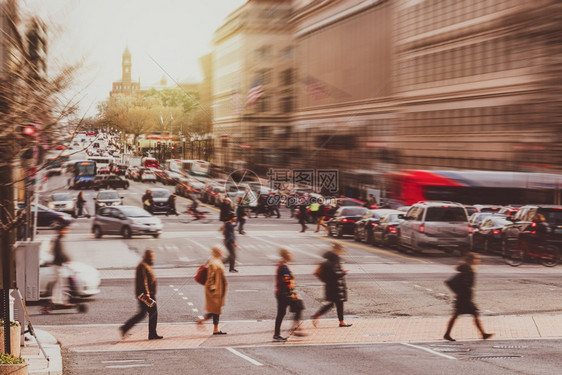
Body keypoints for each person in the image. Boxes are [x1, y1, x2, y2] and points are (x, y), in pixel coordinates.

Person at [443, 253, 493, 341]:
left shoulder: (467, 269)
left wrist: (458, 292)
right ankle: (483, 334)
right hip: (464, 298)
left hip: (464, 297)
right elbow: (463, 283)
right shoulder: (468, 270)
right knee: (473, 313)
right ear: (472, 260)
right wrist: (461, 291)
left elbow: (450, 282)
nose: (478, 261)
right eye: (477, 259)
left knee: (458, 315)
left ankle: (447, 334)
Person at [120, 249, 163, 340]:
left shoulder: (146, 265)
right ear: (146, 256)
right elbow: (144, 282)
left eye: (153, 256)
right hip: (145, 295)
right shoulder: (142, 266)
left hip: (145, 294)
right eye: (151, 256)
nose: (152, 258)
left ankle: (125, 328)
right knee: (153, 313)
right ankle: (152, 334)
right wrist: (147, 294)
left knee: (142, 313)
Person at [312, 242, 352, 328]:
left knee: (338, 303)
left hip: (336, 285)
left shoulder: (333, 260)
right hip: (334, 286)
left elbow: (317, 273)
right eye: (341, 250)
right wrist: (343, 272)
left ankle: (341, 322)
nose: (342, 252)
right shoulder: (331, 261)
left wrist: (325, 280)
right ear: (337, 250)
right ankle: (317, 315)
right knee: (332, 304)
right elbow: (335, 273)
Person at [274, 248, 305, 342]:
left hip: (285, 293)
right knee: (281, 314)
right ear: (285, 255)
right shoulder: (283, 267)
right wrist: (292, 294)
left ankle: (294, 329)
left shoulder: (284, 265)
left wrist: (293, 293)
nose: (291, 255)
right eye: (289, 253)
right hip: (284, 294)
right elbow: (286, 282)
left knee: (299, 307)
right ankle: (277, 335)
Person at [197, 246, 228, 335]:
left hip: (219, 288)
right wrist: (213, 288)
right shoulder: (213, 262)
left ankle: (203, 320)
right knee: (216, 309)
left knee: (215, 309)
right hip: (215, 290)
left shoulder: (217, 260)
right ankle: (215, 329)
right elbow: (210, 277)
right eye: (219, 250)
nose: (221, 252)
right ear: (216, 252)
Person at [51, 225, 72, 306]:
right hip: (58, 265)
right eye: (65, 230)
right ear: (60, 231)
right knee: (60, 283)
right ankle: (58, 301)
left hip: (58, 264)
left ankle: (57, 300)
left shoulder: (58, 239)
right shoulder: (58, 240)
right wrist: (67, 259)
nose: (67, 232)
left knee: (59, 283)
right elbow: (60, 253)